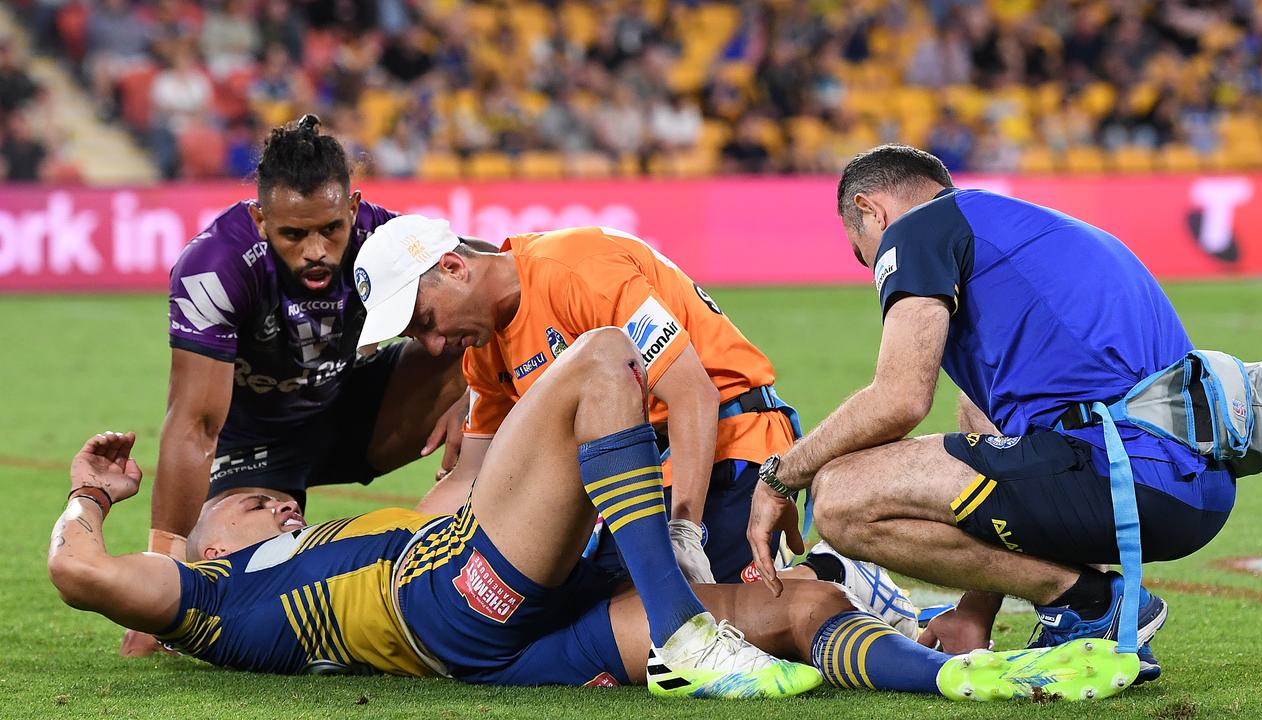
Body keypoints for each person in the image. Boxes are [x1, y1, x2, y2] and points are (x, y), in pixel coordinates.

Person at [48, 329, 1139, 701]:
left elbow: (469, 492)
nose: (274, 498)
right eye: (248, 501)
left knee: (798, 611)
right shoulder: (207, 592)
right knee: (599, 363)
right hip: (450, 606)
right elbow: (80, 577)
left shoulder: (351, 534)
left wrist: (468, 416)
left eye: (278, 490)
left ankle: (965, 673)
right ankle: (678, 624)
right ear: (209, 538)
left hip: (502, 644)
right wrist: (89, 499)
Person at [746, 144, 1239, 685]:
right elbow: (992, 421)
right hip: (1186, 485)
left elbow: (900, 399)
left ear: (871, 211)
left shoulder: (916, 230)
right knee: (977, 410)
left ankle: (1097, 605)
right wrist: (974, 611)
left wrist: (779, 478)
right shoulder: (1009, 229)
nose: (871, 268)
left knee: (839, 497)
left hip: (1129, 470)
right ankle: (1080, 614)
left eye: (861, 252)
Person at [122, 115, 467, 657]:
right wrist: (161, 577)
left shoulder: (386, 238)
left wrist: (474, 391)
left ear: (354, 208)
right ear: (260, 219)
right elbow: (196, 424)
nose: (316, 251)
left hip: (355, 417)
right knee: (235, 588)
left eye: (331, 228)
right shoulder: (215, 265)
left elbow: (493, 281)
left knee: (460, 349)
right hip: (252, 451)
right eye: (293, 233)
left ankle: (495, 551)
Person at [354, 216, 803, 588]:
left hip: (733, 443)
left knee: (715, 618)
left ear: (453, 267)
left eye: (426, 322)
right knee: (598, 616)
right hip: (644, 470)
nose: (433, 347)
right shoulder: (483, 352)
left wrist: (684, 531)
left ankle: (838, 575)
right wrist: (394, 559)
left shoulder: (577, 270)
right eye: (414, 337)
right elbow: (470, 476)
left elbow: (693, 395)